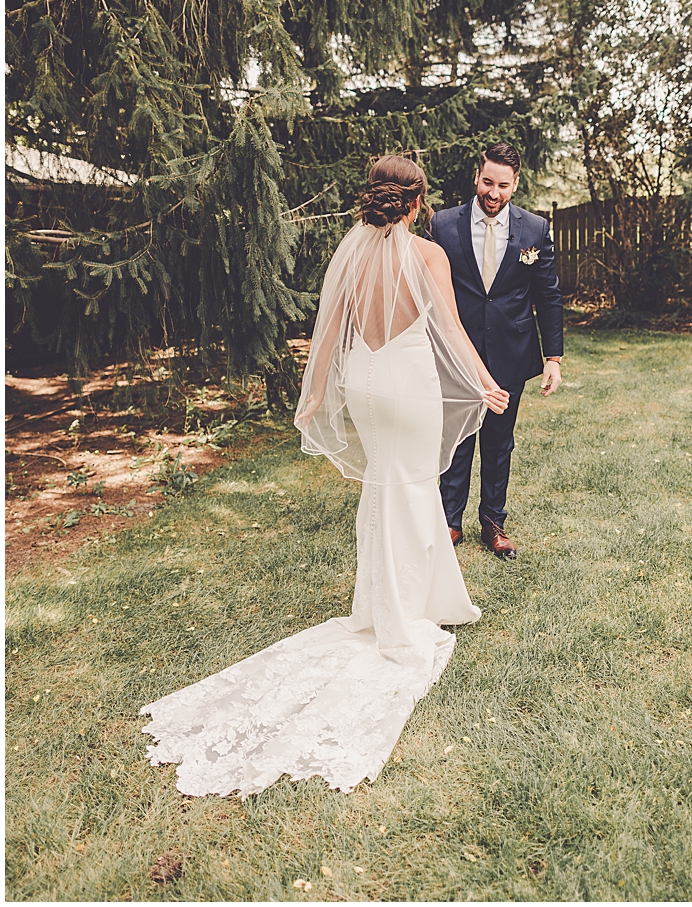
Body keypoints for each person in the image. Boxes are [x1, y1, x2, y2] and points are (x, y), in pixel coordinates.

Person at [142, 155, 510, 796]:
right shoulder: (428, 257)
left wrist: (314, 396)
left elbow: (330, 330)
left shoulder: (350, 251)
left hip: (363, 384)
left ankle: (415, 601)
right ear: (419, 202)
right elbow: (448, 328)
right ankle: (399, 618)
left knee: (385, 488)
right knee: (414, 484)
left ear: (373, 199)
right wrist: (485, 382)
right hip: (407, 383)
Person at [428, 142, 564, 559]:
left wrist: (553, 357)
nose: (494, 192)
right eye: (488, 182)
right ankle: (450, 521)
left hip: (511, 349)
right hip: (456, 353)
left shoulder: (535, 230)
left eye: (503, 185)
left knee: (499, 440)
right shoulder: (442, 224)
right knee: (456, 438)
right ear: (477, 177)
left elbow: (549, 295)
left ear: (515, 184)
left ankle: (493, 522)